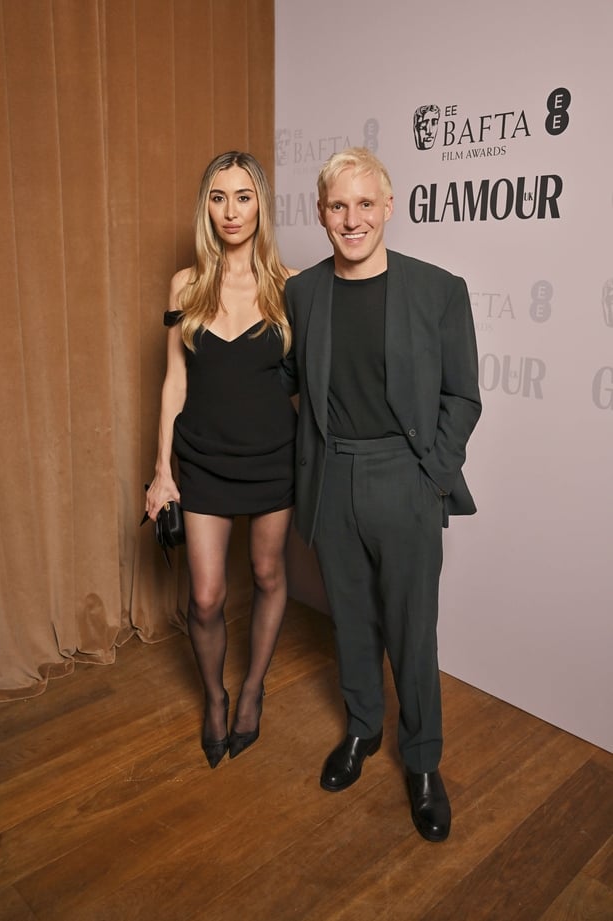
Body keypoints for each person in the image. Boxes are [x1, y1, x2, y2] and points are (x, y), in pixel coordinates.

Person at [281, 147, 481, 842]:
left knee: (411, 630)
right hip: (333, 476)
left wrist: (432, 472)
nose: (352, 218)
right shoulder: (302, 293)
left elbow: (462, 393)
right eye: (338, 205)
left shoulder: (438, 289)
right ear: (320, 213)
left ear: (389, 207)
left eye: (366, 203)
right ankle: (363, 730)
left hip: (406, 477)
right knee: (353, 620)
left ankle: (422, 762)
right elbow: (286, 385)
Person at [145, 151, 297, 769]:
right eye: (217, 197)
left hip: (273, 460)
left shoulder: (291, 286)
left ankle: (253, 688)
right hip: (202, 459)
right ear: (205, 207)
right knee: (204, 598)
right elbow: (173, 381)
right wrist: (162, 470)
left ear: (261, 204)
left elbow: (306, 387)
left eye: (242, 196)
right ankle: (214, 697)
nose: (230, 210)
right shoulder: (185, 284)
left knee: (266, 576)